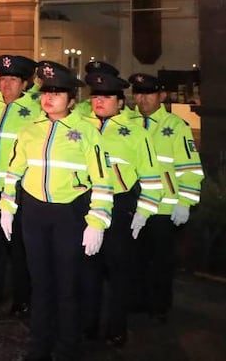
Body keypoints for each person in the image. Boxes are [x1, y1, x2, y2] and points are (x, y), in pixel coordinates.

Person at [0, 61, 112, 361]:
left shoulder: (87, 132)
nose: (49, 98)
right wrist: (7, 207)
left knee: (66, 285)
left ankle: (67, 347)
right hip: (34, 213)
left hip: (69, 215)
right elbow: (14, 171)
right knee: (40, 283)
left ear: (72, 100)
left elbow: (103, 179)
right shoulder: (30, 130)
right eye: (45, 92)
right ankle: (39, 345)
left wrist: (97, 221)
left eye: (57, 92)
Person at [76, 69, 164, 348]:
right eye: (96, 96)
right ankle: (87, 325)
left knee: (118, 273)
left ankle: (116, 327)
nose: (99, 101)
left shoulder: (137, 134)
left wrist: (144, 211)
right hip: (85, 205)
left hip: (120, 206)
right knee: (87, 270)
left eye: (107, 96)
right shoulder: (78, 127)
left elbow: (152, 176)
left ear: (121, 102)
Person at [129, 72, 204, 322]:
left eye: (148, 93)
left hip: (163, 208)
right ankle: (138, 301)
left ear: (161, 96)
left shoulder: (176, 126)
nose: (142, 99)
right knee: (136, 258)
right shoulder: (127, 123)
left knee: (160, 262)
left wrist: (185, 203)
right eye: (138, 93)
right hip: (133, 207)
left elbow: (190, 169)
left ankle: (159, 307)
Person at [0, 54, 40, 315]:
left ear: (25, 84)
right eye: (4, 79)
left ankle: (23, 295)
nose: (7, 85)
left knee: (20, 247)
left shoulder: (35, 113)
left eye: (14, 80)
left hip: (20, 192)